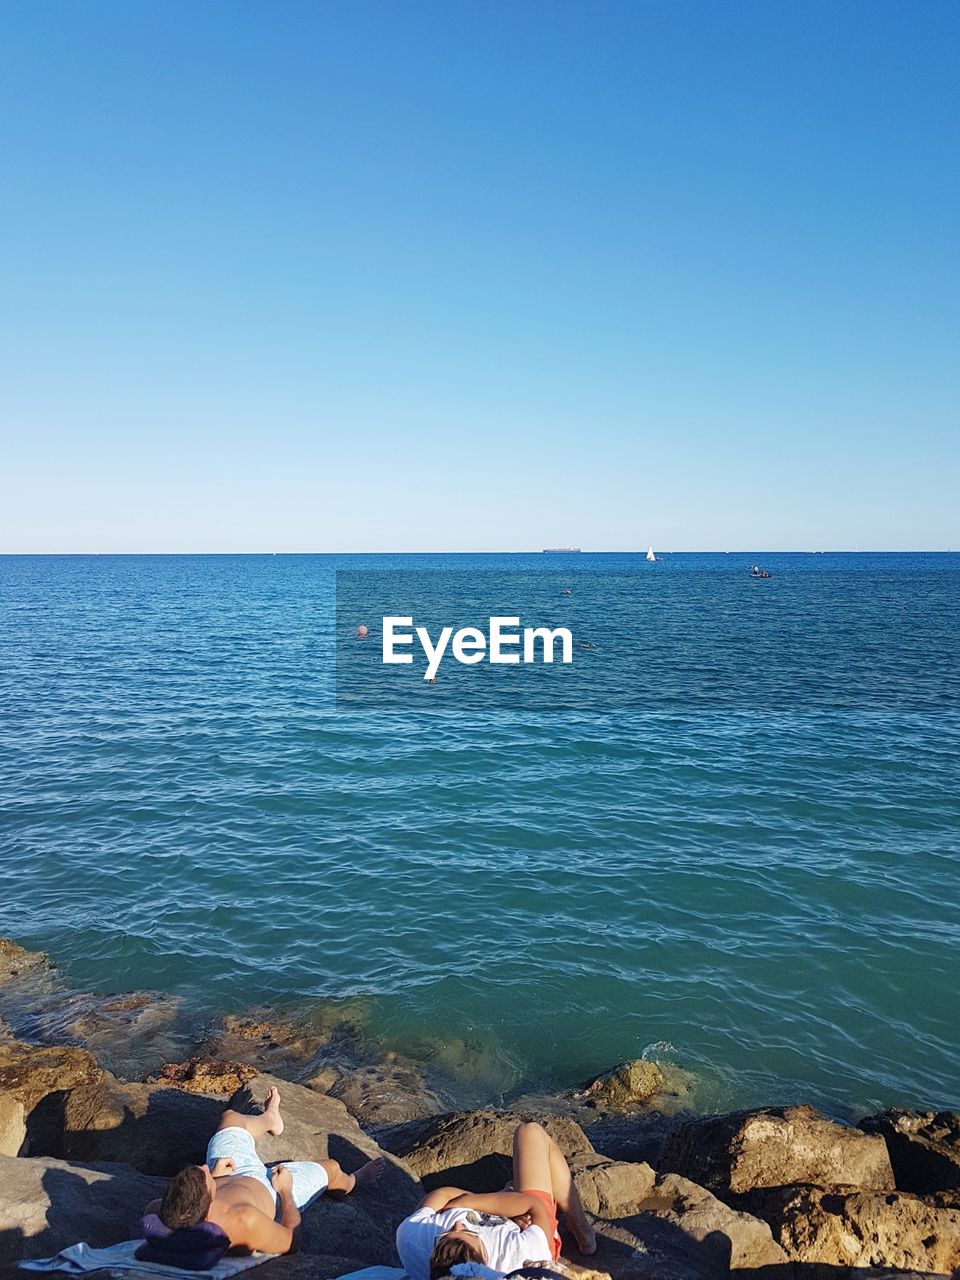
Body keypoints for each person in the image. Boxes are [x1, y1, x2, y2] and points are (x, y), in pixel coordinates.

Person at [148, 1086, 384, 1255]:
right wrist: (286, 1192)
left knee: (230, 1118)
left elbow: (166, 1209)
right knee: (332, 1168)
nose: (202, 1166)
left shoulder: (165, 1209)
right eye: (203, 1175)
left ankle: (270, 1119)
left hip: (229, 1174)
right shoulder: (244, 1221)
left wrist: (215, 1175)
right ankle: (353, 1181)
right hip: (270, 1189)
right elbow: (292, 1241)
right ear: (207, 1204)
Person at [396, 1122, 596, 1280]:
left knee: (513, 1181)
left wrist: (470, 1202)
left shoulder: (412, 1237)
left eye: (445, 1234)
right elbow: (535, 1207)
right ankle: (583, 1232)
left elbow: (439, 1194)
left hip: (497, 1207)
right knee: (530, 1132)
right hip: (527, 1219)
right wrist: (470, 1203)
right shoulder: (520, 1254)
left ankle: (506, 1191)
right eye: (468, 1232)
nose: (457, 1224)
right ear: (484, 1260)